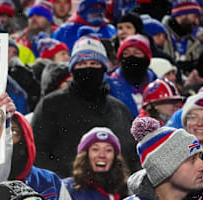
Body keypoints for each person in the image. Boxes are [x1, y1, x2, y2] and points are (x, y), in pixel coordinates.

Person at [32, 36, 136, 177]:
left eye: (94, 63)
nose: (88, 69)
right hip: (66, 190)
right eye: (81, 64)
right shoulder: (51, 105)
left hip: (114, 192)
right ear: (72, 68)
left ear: (103, 68)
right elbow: (38, 151)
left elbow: (131, 156)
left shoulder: (119, 109)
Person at [107, 34, 157, 118]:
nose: (131, 57)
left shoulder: (157, 84)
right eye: (126, 53)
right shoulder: (109, 86)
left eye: (137, 53)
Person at [52, 0, 116, 50]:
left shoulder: (111, 29)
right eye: (94, 7)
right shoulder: (65, 30)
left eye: (101, 8)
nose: (98, 11)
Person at [161, 0, 202, 75]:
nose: (197, 22)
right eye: (195, 17)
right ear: (182, 14)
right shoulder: (161, 36)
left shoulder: (195, 43)